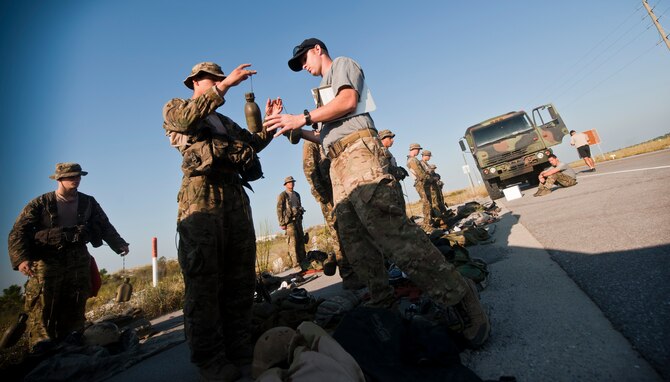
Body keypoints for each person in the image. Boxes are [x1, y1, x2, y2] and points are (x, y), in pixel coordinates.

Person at [263, 38, 490, 348]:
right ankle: (383, 303)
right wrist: (290, 126)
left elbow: (347, 102)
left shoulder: (342, 65)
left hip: (360, 155)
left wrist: (301, 118)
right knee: (356, 242)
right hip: (338, 163)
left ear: (317, 49)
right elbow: (323, 137)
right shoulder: (320, 96)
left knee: (391, 233)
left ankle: (461, 297)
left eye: (303, 59)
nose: (303, 66)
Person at [162, 61, 277, 381]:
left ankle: (240, 347)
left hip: (235, 195)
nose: (219, 81)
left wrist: (268, 123)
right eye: (213, 78)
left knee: (240, 276)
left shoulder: (223, 119)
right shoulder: (177, 107)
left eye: (219, 77)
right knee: (204, 279)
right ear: (197, 81)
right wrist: (225, 86)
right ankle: (210, 358)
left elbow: (252, 144)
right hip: (201, 195)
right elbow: (185, 121)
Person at [8, 162, 129, 352]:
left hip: (78, 258)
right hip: (48, 261)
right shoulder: (41, 203)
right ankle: (42, 348)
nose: (76, 179)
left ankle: (73, 342)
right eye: (71, 176)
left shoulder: (88, 202)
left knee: (76, 299)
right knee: (44, 304)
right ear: (59, 179)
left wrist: (119, 244)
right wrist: (21, 259)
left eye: (78, 176)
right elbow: (17, 232)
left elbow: (104, 225)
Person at [302, 140, 363, 289]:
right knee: (338, 235)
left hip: (342, 189)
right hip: (329, 195)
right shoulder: (310, 142)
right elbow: (310, 171)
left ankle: (360, 270)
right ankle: (348, 276)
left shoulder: (328, 137)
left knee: (352, 230)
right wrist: (323, 197)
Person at [276, 176, 307, 269]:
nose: (291, 183)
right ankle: (296, 265)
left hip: (298, 221)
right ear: (285, 185)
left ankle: (303, 262)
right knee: (292, 244)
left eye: (292, 182)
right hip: (289, 222)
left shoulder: (297, 194)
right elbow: (279, 209)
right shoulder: (282, 195)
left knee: (301, 241)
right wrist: (282, 223)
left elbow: (299, 206)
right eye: (289, 182)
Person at [378, 129, 408, 212]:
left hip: (394, 183)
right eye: (390, 138)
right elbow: (383, 169)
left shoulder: (387, 151)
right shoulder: (381, 151)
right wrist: (395, 171)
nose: (392, 140)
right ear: (382, 139)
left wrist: (399, 170)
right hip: (390, 186)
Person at [407, 143, 436, 228]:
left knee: (428, 202)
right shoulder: (412, 160)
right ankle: (427, 224)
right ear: (414, 149)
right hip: (420, 183)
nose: (419, 151)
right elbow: (420, 173)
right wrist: (430, 178)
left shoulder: (413, 159)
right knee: (426, 203)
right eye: (418, 149)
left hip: (422, 182)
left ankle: (429, 222)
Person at [421, 150, 452, 226]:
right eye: (429, 156)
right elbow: (425, 176)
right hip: (429, 186)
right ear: (426, 156)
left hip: (432, 185)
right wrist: (433, 179)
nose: (429, 158)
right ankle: (438, 219)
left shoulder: (425, 164)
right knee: (433, 203)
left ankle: (440, 217)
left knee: (437, 201)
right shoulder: (422, 164)